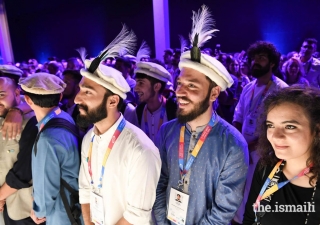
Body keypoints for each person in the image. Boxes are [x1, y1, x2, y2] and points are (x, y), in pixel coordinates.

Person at [153, 5, 248, 224]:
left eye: (192, 86)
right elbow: (159, 182)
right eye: (179, 83)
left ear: (214, 92)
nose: (179, 92)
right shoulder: (167, 131)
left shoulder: (232, 144)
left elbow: (223, 210)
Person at [76, 26, 161, 225]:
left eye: (87, 92)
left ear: (113, 101)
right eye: (80, 90)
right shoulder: (89, 138)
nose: (77, 99)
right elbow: (86, 189)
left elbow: (136, 216)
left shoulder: (140, 150)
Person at [243, 86, 320, 225]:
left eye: (290, 126)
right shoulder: (266, 166)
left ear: (316, 130)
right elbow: (249, 218)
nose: (276, 137)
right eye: (270, 125)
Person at [232, 41, 288, 225]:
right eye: (254, 58)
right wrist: (238, 141)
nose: (256, 61)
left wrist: (252, 145)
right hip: (243, 149)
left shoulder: (281, 90)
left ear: (272, 63)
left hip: (266, 152)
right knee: (242, 190)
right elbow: (238, 115)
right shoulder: (249, 87)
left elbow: (282, 126)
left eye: (262, 58)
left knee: (262, 192)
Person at [19, 73, 81, 225]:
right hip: (74, 205)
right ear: (60, 97)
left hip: (62, 212)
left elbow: (46, 188)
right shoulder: (65, 117)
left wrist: (39, 211)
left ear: (27, 100)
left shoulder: (47, 138)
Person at [0, 77, 37, 225]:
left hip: (25, 211)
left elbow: (25, 171)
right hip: (5, 210)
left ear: (16, 93)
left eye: (1, 94)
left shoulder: (32, 121)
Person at [133, 61, 177, 142]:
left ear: (157, 86)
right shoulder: (139, 111)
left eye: (141, 83)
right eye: (136, 83)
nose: (135, 88)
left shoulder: (174, 110)